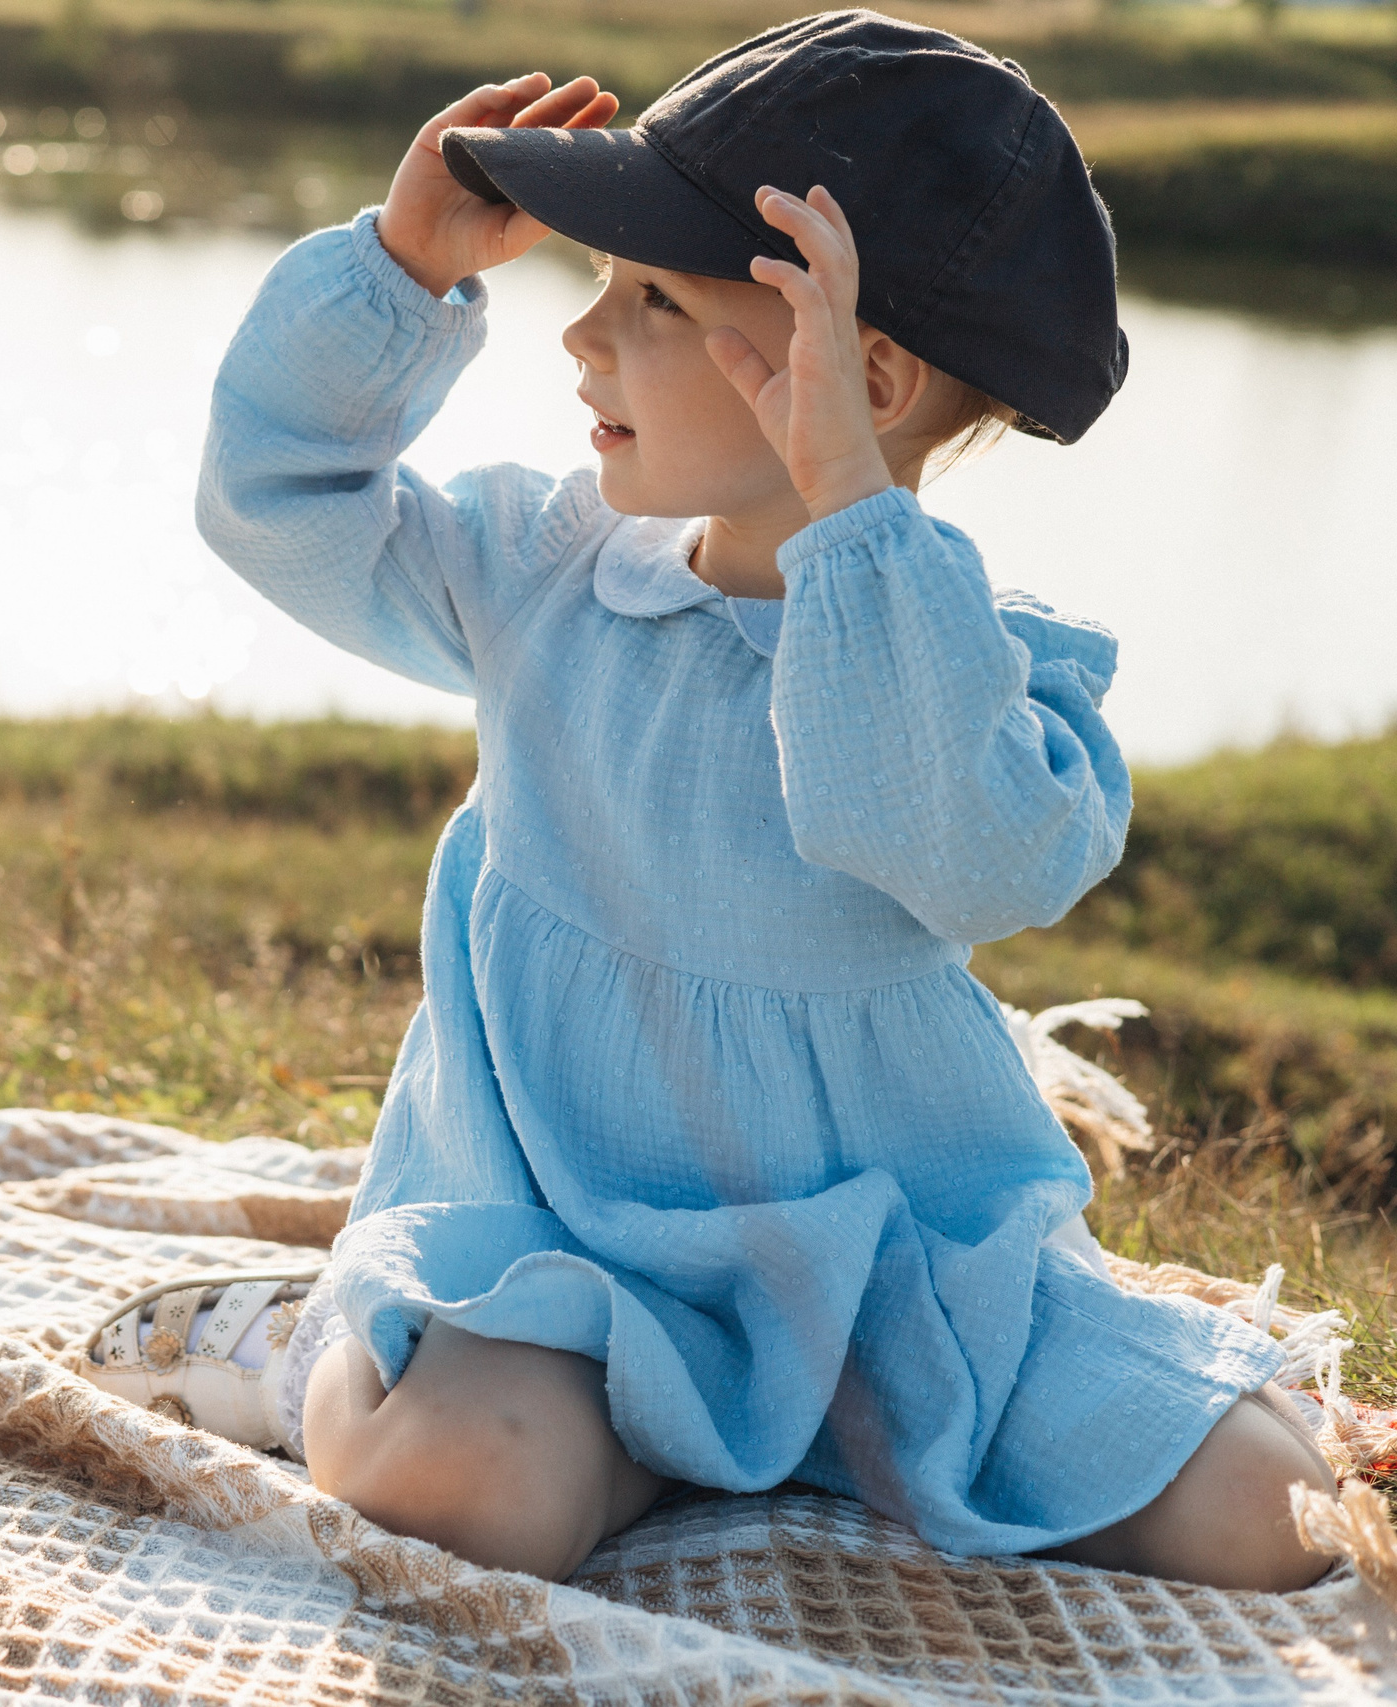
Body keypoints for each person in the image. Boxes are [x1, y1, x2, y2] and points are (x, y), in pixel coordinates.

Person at [155, 11, 1334, 1588]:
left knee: (1277, 1513)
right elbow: (278, 508)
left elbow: (943, 846)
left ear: (869, 375)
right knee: (462, 1483)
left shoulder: (986, 668)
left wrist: (851, 513)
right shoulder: (545, 572)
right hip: (570, 1245)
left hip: (900, 1270)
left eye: (650, 299)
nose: (578, 342)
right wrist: (398, 272)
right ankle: (341, 1342)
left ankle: (773, 1438)